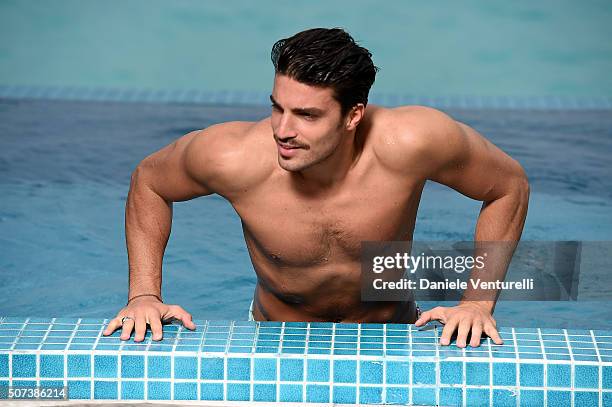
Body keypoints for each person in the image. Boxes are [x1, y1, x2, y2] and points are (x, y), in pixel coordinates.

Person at [103, 27, 529, 348]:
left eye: (307, 115)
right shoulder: (231, 157)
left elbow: (508, 186)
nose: (283, 131)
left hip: (394, 332)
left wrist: (476, 302)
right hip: (276, 336)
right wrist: (144, 294)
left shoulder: (412, 143)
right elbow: (150, 181)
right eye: (277, 107)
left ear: (353, 115)